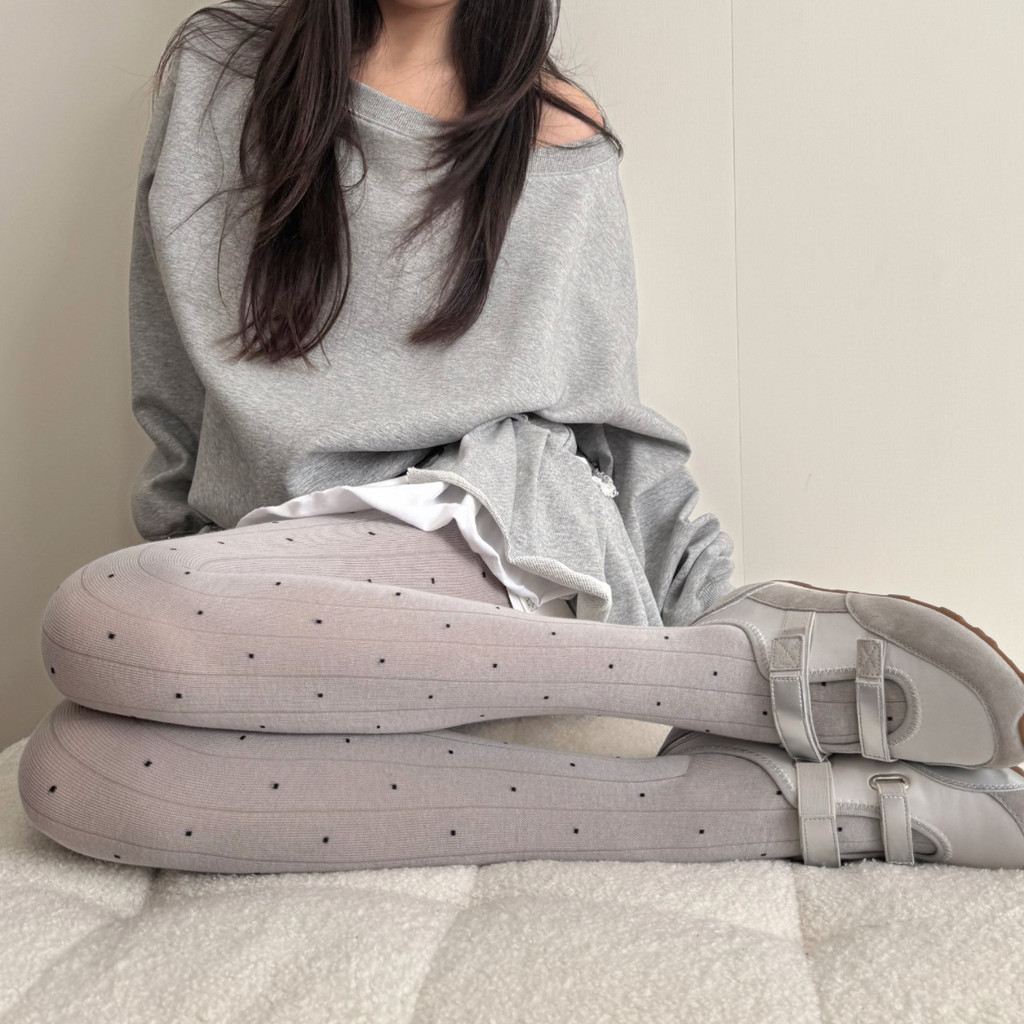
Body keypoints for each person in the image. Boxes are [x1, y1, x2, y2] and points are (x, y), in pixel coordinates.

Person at [17, 0, 1024, 873]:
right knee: (70, 776)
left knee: (97, 615)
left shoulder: (554, 135)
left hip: (488, 517)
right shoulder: (218, 75)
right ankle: (800, 810)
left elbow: (615, 423)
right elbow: (170, 375)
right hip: (275, 551)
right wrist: (195, 585)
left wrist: (714, 598)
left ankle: (753, 679)